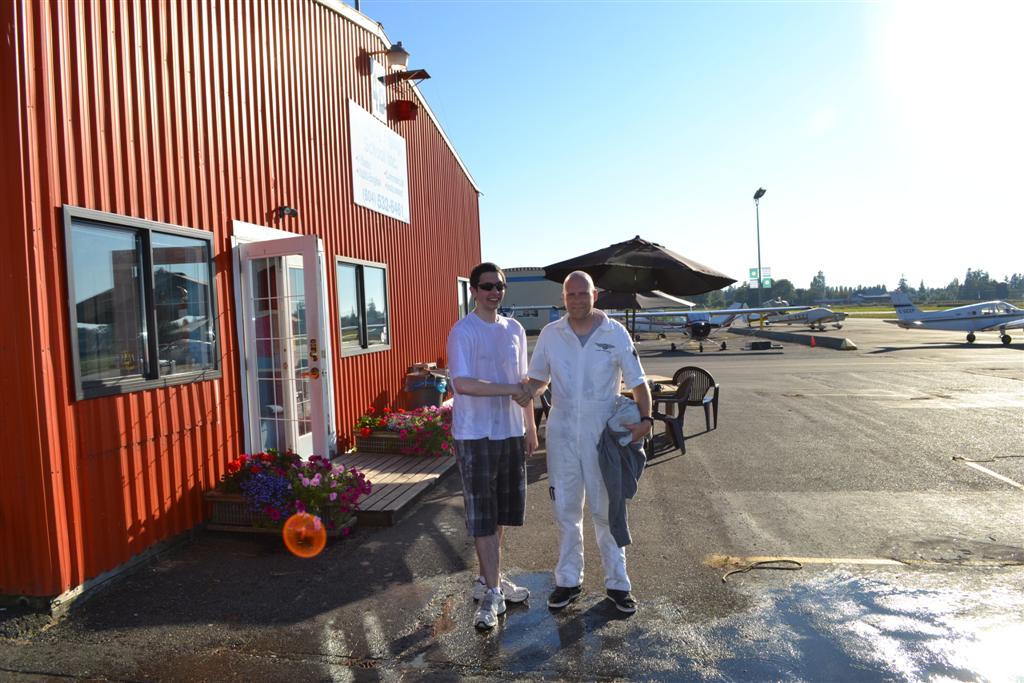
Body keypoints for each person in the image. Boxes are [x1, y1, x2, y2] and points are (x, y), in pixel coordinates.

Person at [521, 271, 653, 614]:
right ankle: (568, 581)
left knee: (607, 510)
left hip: (602, 434)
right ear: (563, 298)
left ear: (595, 295)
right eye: (570, 295)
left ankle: (618, 584)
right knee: (565, 510)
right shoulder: (551, 334)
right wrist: (522, 392)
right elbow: (538, 380)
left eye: (583, 293)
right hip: (562, 429)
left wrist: (647, 419)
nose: (577, 300)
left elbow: (638, 382)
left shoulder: (615, 332)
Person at [446, 262, 539, 630]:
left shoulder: (514, 329)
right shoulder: (463, 331)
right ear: (473, 291)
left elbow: (525, 381)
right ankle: (494, 591)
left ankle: (488, 580)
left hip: (510, 432)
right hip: (475, 434)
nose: (493, 292)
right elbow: (464, 384)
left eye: (499, 286)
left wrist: (530, 426)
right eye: (486, 286)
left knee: (500, 512)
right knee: (483, 514)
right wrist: (512, 390)